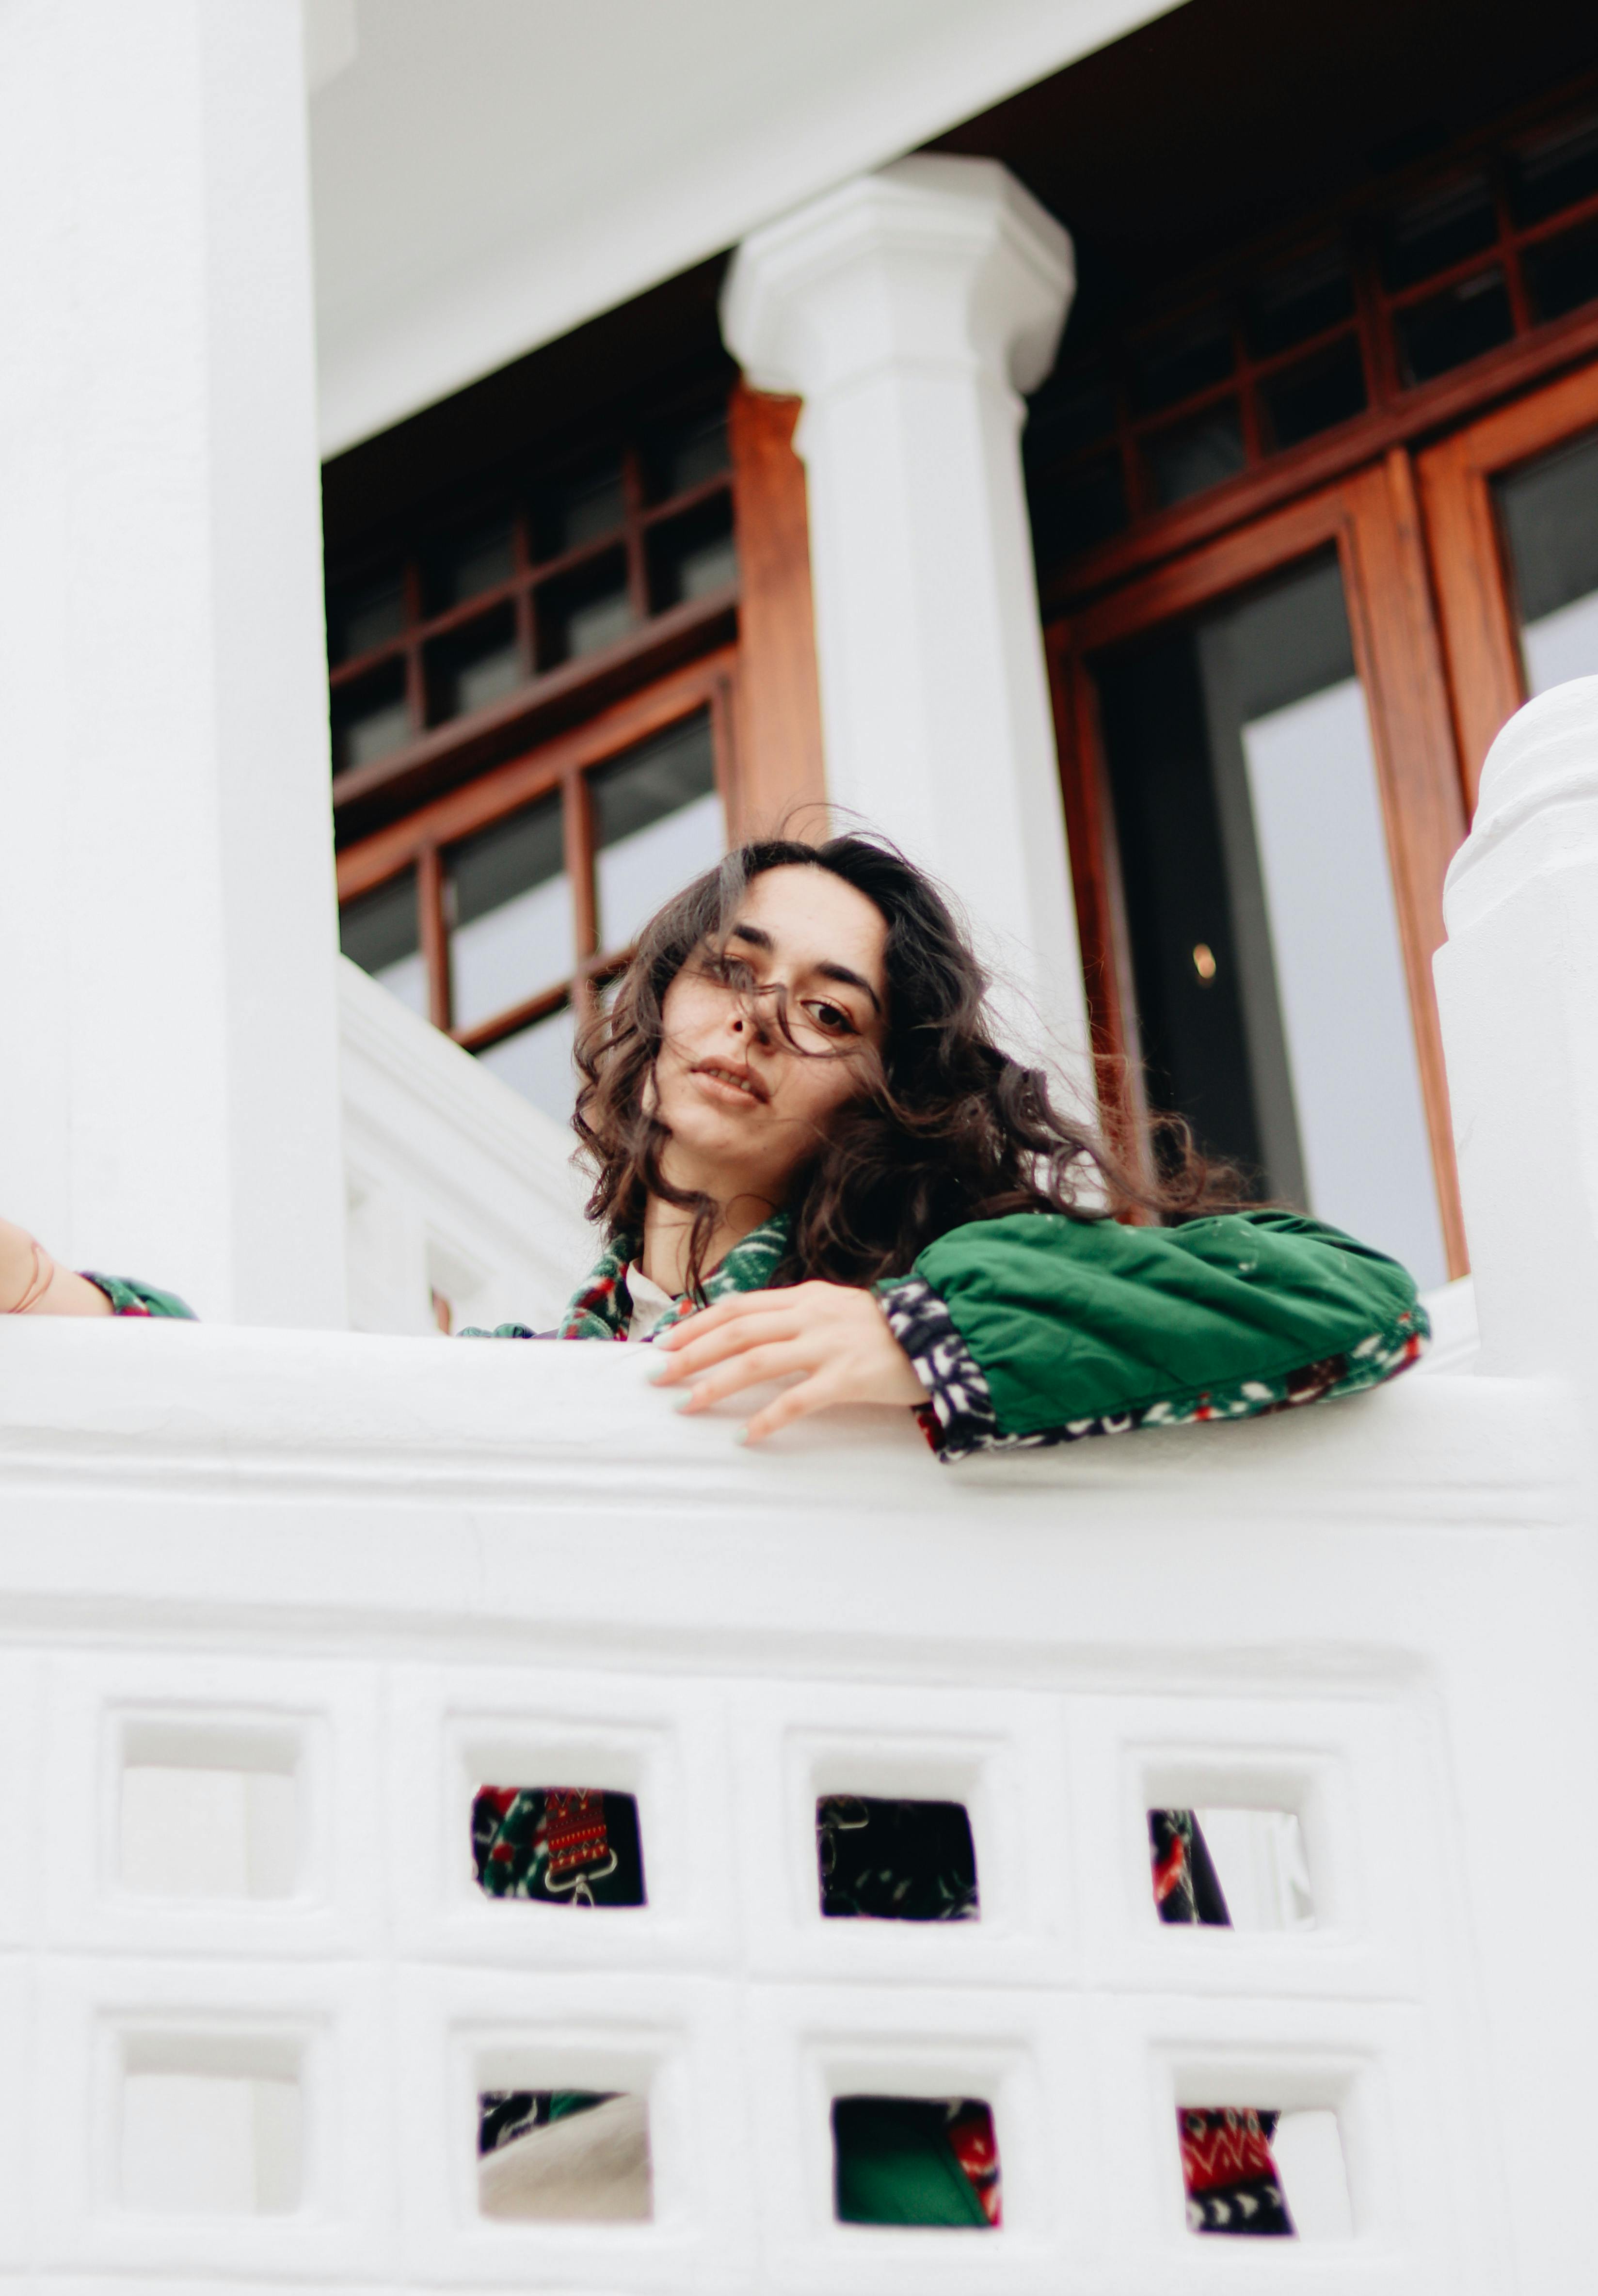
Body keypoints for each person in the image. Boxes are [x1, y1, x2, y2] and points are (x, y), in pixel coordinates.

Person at [1, 833, 1429, 2230]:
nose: (757, 1020)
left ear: (885, 1082)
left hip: (955, 2113)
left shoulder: (940, 1305)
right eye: (729, 971)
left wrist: (909, 1332)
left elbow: (1350, 1298)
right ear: (661, 1004)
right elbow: (276, 1440)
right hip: (606, 2127)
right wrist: (53, 1297)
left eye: (826, 1010)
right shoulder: (531, 1384)